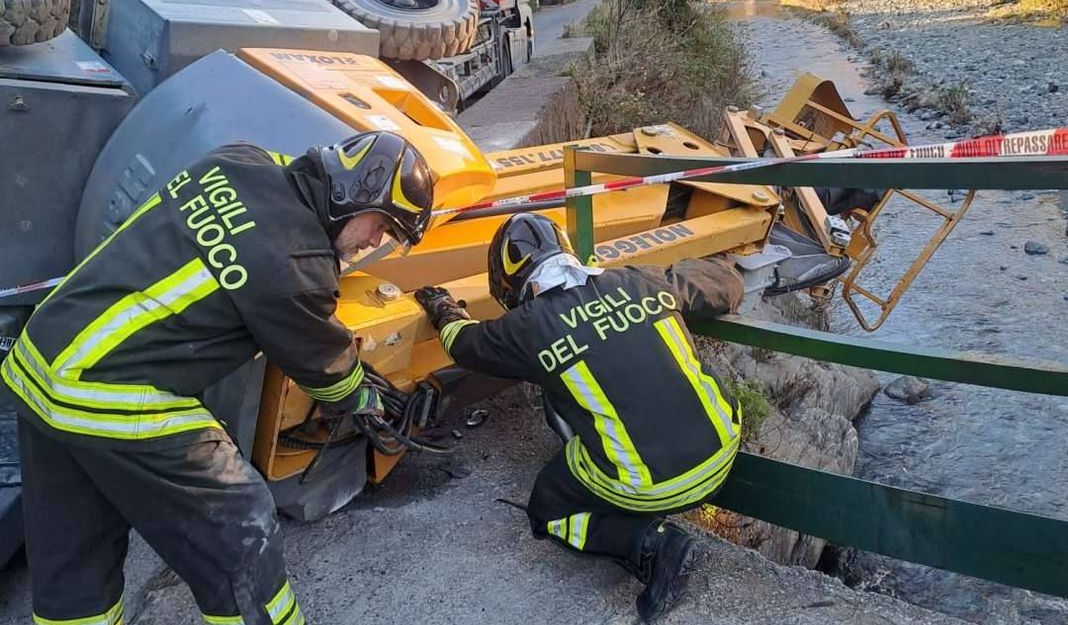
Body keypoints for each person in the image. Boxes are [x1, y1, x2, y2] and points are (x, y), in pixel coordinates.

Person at [1, 131, 433, 625]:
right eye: (383, 226)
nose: (376, 242)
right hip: (103, 388)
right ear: (354, 194)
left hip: (39, 358)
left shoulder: (241, 159)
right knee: (238, 524)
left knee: (74, 560)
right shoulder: (297, 266)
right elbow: (324, 366)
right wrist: (366, 400)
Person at [415, 213, 746, 623]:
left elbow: (463, 343)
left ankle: (653, 545)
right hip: (724, 448)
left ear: (509, 283)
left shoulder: (526, 327)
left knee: (548, 510)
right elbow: (728, 284)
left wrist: (441, 306)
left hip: (654, 486)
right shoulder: (640, 280)